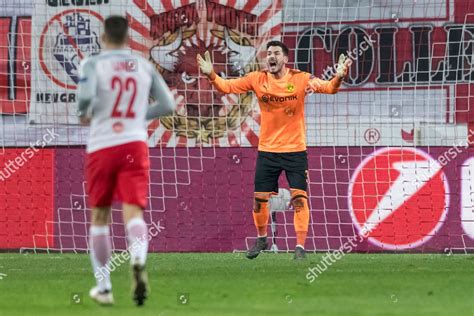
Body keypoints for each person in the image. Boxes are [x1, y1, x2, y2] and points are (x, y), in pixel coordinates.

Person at [197, 41, 350, 260]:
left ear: (285, 59)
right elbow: (227, 87)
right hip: (267, 151)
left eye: (276, 53)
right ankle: (261, 239)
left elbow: (329, 88)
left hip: (295, 151)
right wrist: (211, 74)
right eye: (268, 53)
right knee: (259, 200)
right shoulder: (257, 79)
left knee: (299, 199)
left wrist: (339, 76)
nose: (271, 56)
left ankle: (299, 248)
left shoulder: (301, 79)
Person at [77, 15, 175, 305]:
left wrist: (91, 111)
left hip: (103, 145)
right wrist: (135, 117)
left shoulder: (93, 64)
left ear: (104, 37)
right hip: (134, 144)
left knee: (100, 217)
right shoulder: (142, 66)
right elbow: (168, 104)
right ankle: (137, 258)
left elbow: (83, 101)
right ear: (127, 38)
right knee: (133, 213)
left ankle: (104, 288)